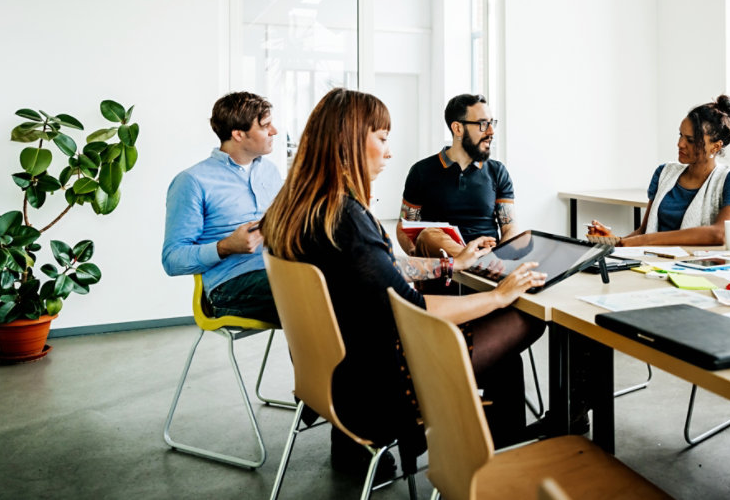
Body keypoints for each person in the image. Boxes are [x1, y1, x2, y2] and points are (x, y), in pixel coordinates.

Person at [260, 88, 545, 476]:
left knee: (494, 317)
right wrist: (499, 296)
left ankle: (497, 436)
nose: (389, 152)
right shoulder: (345, 218)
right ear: (349, 142)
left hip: (333, 371)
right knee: (525, 317)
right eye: (382, 138)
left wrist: (449, 267)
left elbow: (384, 266)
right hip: (379, 385)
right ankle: (509, 451)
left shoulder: (297, 210)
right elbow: (413, 306)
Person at [162, 92, 282, 322]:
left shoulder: (270, 172)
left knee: (349, 278)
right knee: (320, 294)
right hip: (230, 287)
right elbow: (172, 259)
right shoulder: (192, 181)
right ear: (238, 134)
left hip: (280, 269)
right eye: (266, 125)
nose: (274, 131)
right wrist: (226, 246)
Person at [591, 95, 730, 247]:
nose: (680, 144)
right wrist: (614, 242)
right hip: (651, 266)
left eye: (691, 140)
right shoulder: (664, 173)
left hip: (694, 268)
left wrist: (646, 241)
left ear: (715, 146)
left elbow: (720, 233)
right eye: (681, 135)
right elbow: (644, 232)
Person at [395, 93, 517, 259]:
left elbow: (509, 227)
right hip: (443, 264)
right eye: (482, 124)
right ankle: (471, 261)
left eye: (491, 123)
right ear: (458, 128)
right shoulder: (421, 171)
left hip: (489, 260)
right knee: (429, 235)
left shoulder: (498, 171)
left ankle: (474, 263)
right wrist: (416, 254)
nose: (491, 131)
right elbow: (405, 226)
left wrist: (502, 259)